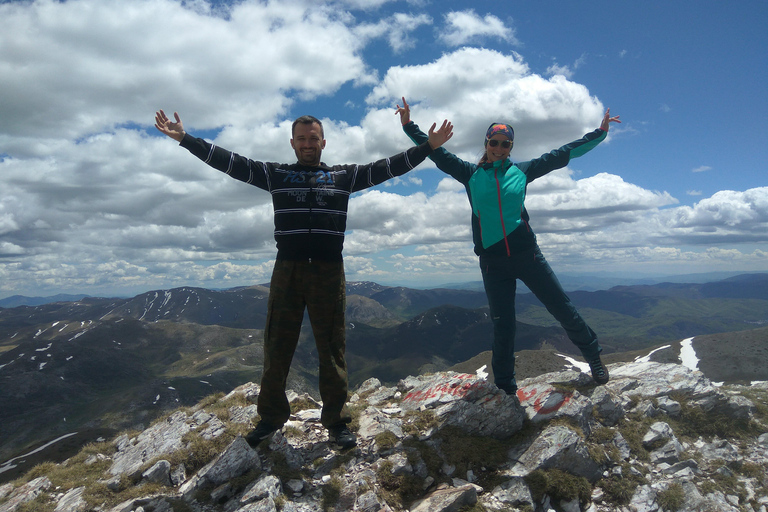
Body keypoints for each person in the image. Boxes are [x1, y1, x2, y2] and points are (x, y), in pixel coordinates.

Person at [155, 110, 453, 448]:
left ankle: (337, 423)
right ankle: (269, 419)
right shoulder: (275, 174)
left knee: (332, 348)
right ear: (293, 143)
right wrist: (185, 139)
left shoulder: (344, 176)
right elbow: (230, 162)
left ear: (323, 142)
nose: (308, 144)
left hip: (329, 270)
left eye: (313, 138)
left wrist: (428, 146)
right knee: (277, 346)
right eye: (302, 139)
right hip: (288, 269)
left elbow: (387, 167)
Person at [396, 97, 620, 394]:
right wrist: (409, 125)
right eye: (494, 142)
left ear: (511, 148)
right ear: (486, 143)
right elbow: (436, 151)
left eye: (505, 144)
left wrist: (600, 133)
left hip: (528, 255)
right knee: (504, 326)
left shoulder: (522, 172)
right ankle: (504, 385)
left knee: (562, 307)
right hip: (493, 262)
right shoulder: (470, 174)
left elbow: (562, 153)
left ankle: (593, 357)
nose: (499, 148)